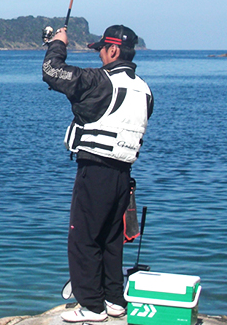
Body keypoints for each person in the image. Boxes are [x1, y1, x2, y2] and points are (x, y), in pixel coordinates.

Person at [42, 24, 154, 323]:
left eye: (102, 49)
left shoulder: (99, 82)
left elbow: (52, 71)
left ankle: (92, 305)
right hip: (123, 175)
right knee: (111, 238)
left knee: (84, 239)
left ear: (114, 50)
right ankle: (114, 299)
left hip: (96, 171)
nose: (100, 55)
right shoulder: (144, 90)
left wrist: (57, 43)